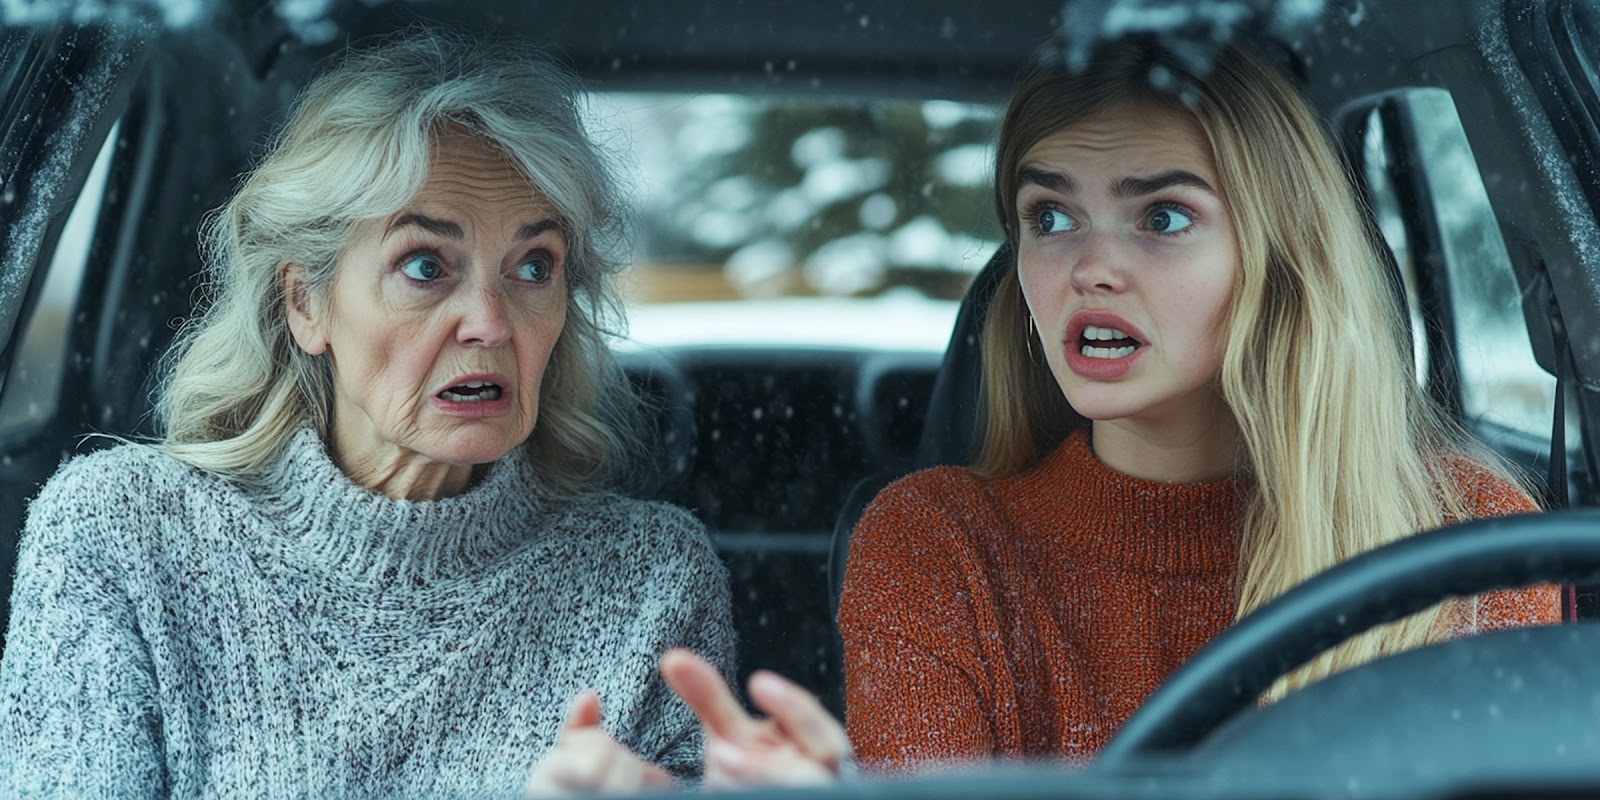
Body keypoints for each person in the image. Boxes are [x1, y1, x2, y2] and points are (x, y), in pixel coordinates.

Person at [0, 30, 735, 797]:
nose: (490, 320)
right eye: (425, 265)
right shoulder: (122, 532)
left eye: (532, 266)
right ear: (306, 301)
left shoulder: (651, 580)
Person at [835, 35, 1562, 770]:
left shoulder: (1463, 543)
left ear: (1280, 258)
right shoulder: (937, 548)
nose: (1090, 269)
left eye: (1162, 217)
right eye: (1049, 217)